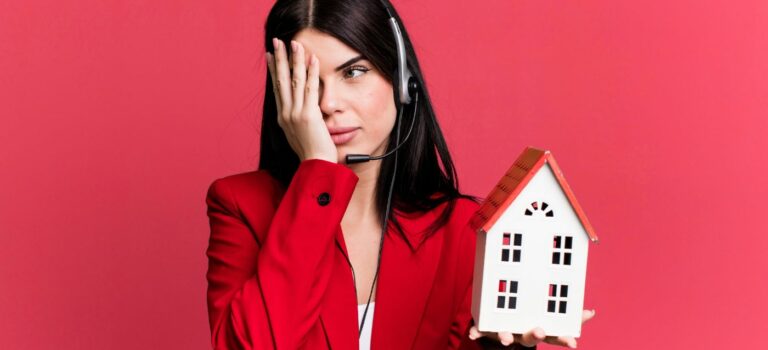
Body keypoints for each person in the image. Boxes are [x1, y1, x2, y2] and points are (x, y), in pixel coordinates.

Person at [204, 0, 594, 349]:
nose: (328, 103)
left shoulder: (458, 230)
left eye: (353, 71)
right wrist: (318, 171)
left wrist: (504, 347)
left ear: (403, 82)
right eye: (305, 81)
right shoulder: (240, 206)